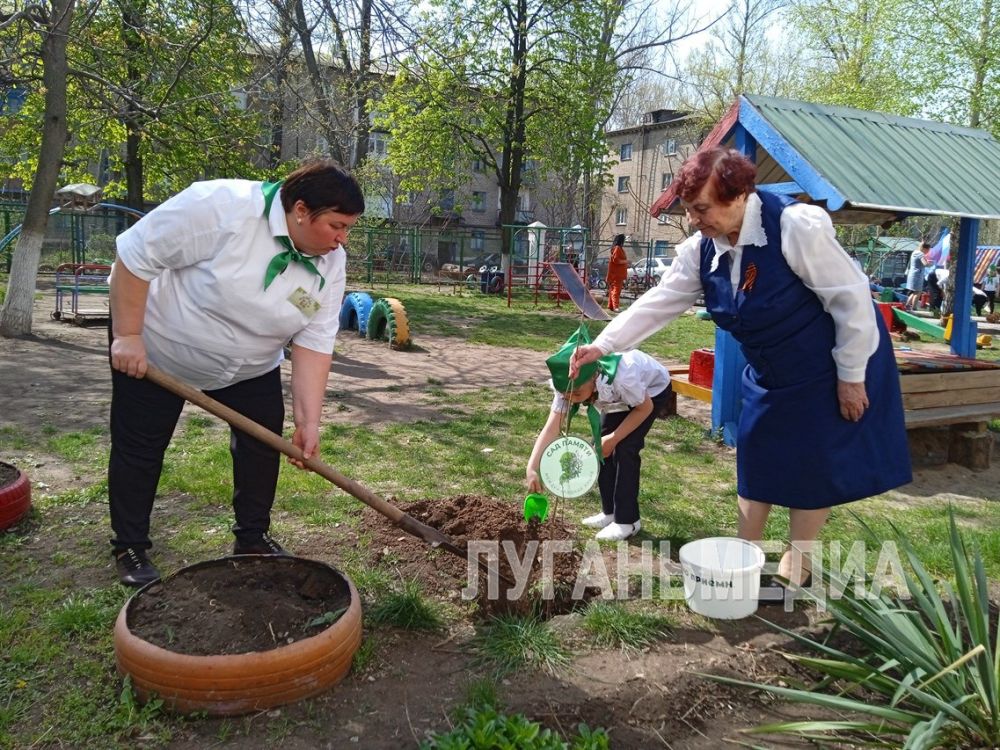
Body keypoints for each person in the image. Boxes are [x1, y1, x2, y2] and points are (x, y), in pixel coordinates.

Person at [570, 146, 911, 596]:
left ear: (740, 196)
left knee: (813, 463)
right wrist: (604, 344)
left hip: (826, 364)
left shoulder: (793, 227)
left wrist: (851, 376)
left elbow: (851, 300)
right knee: (757, 453)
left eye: (702, 209)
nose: (694, 219)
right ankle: (742, 556)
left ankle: (797, 561)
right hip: (770, 369)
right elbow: (661, 302)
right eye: (690, 209)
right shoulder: (701, 251)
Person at [107, 159, 365, 586]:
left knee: (261, 448)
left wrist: (309, 422)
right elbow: (135, 256)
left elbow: (315, 342)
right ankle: (130, 546)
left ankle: (252, 538)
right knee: (141, 448)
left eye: (348, 229)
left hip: (249, 367)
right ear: (301, 210)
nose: (342, 240)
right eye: (337, 226)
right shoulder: (220, 207)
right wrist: (128, 335)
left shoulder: (329, 263)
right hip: (157, 352)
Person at [526, 326, 671, 541]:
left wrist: (613, 439)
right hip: (616, 400)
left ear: (594, 377)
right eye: (567, 395)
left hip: (649, 393)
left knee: (624, 448)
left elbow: (644, 408)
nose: (572, 399)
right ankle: (610, 512)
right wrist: (532, 466)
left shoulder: (623, 376)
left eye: (577, 394)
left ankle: (627, 521)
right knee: (600, 446)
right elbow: (552, 426)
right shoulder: (568, 384)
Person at [905, 242, 932, 310]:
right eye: (928, 250)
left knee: (914, 291)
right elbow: (925, 264)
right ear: (924, 248)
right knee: (918, 292)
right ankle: (914, 307)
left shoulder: (915, 252)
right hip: (917, 275)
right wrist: (931, 263)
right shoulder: (920, 254)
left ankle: (907, 305)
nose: (928, 252)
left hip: (912, 274)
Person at [605, 234, 629, 311]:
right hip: (617, 274)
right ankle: (616, 307)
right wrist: (626, 261)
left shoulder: (616, 248)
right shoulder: (617, 248)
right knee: (616, 291)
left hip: (616, 274)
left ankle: (611, 306)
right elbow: (616, 260)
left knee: (613, 290)